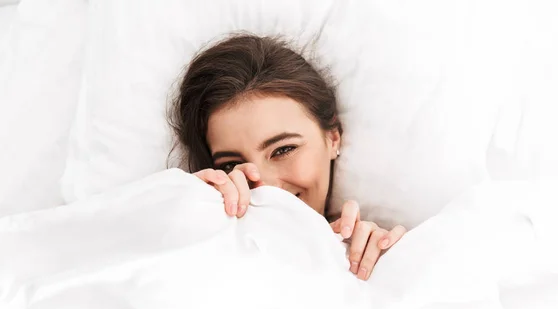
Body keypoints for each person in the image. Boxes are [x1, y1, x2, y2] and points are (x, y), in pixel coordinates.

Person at [169, 33, 406, 281]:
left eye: (283, 150)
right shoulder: (193, 245)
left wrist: (391, 263)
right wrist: (185, 220)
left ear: (333, 138)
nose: (264, 185)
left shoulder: (371, 256)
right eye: (232, 164)